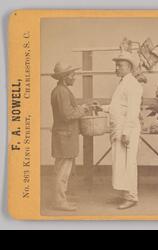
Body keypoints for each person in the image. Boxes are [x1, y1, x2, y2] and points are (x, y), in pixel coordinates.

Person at [95, 52, 143, 210]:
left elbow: (132, 112)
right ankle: (124, 194)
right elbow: (117, 107)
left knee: (128, 163)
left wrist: (126, 133)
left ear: (129, 67)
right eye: (116, 64)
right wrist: (101, 108)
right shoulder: (123, 83)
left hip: (126, 130)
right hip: (118, 129)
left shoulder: (133, 85)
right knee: (120, 164)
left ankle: (131, 197)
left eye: (120, 65)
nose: (116, 67)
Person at [50, 62, 87, 211]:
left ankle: (61, 198)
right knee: (62, 171)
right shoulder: (61, 92)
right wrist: (83, 110)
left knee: (63, 169)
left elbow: (68, 110)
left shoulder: (61, 90)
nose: (75, 77)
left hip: (65, 136)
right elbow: (67, 114)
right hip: (64, 136)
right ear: (65, 77)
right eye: (72, 75)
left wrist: (82, 108)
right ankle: (59, 201)